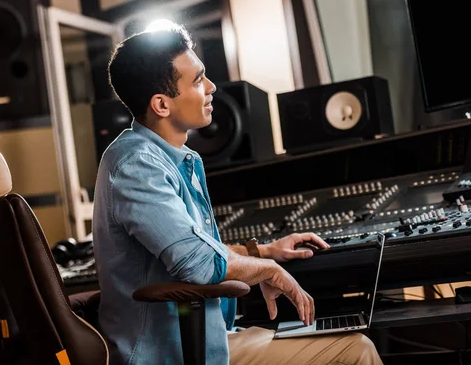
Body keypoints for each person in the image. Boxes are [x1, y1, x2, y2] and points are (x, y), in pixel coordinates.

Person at [92, 24, 383, 365]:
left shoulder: (161, 156)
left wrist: (263, 251)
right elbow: (197, 263)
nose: (212, 87)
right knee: (356, 350)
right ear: (161, 104)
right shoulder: (137, 163)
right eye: (198, 80)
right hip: (168, 355)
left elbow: (189, 246)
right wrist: (268, 270)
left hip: (206, 340)